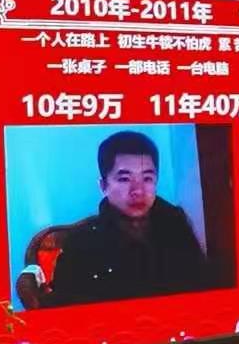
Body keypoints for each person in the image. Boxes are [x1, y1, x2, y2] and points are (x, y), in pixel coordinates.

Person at [46, 130, 209, 307]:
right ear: (103, 186)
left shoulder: (174, 223)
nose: (137, 190)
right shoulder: (81, 242)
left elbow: (201, 286)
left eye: (147, 178)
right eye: (124, 179)